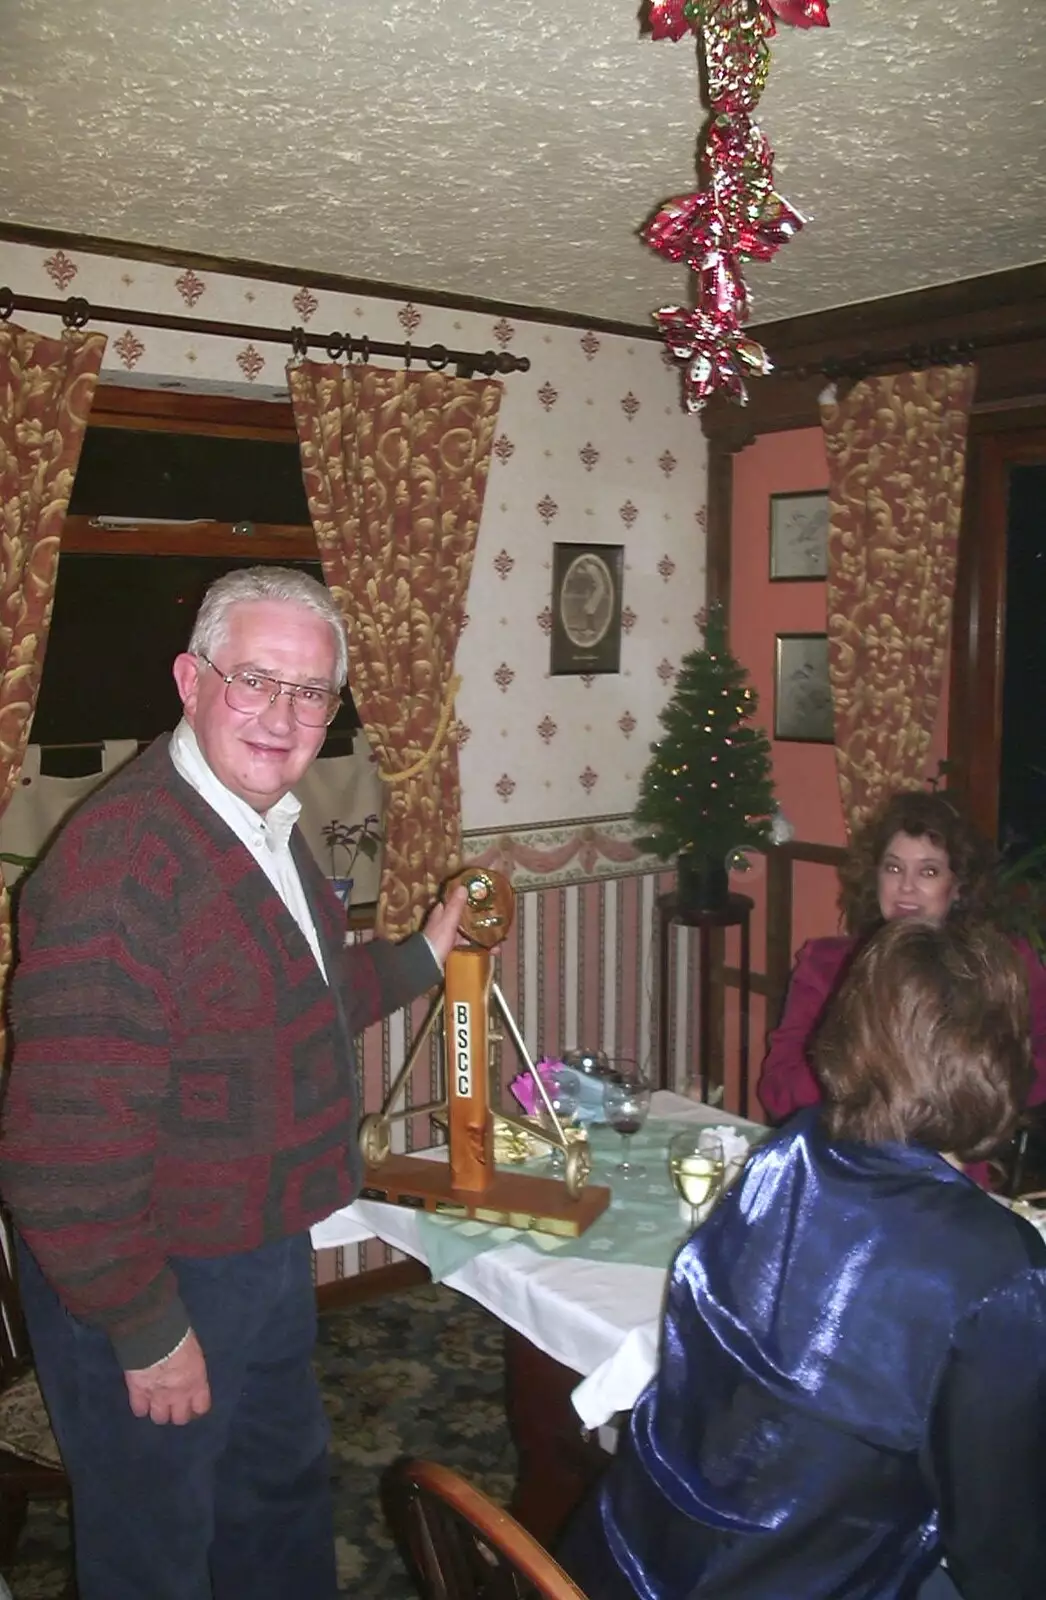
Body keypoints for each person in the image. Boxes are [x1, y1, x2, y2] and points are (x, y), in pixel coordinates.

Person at [0, 566, 467, 1600]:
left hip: (253, 1243)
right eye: (255, 678)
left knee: (276, 1499)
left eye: (310, 692)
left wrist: (421, 959)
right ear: (190, 678)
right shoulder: (123, 866)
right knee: (156, 1548)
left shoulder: (260, 821)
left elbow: (295, 990)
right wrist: (148, 1329)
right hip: (150, 1267)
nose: (283, 714)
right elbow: (62, 1160)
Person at [560, 919, 1046, 1599]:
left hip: (633, 1550)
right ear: (998, 1059)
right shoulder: (995, 1263)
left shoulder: (795, 1151)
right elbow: (1000, 1547)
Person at [758, 788, 1046, 1131]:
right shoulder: (826, 964)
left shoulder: (999, 963)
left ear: (958, 887)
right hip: (847, 1146)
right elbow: (777, 1087)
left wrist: (970, 1089)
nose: (905, 887)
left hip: (954, 1153)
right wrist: (860, 1077)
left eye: (928, 872)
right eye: (893, 868)